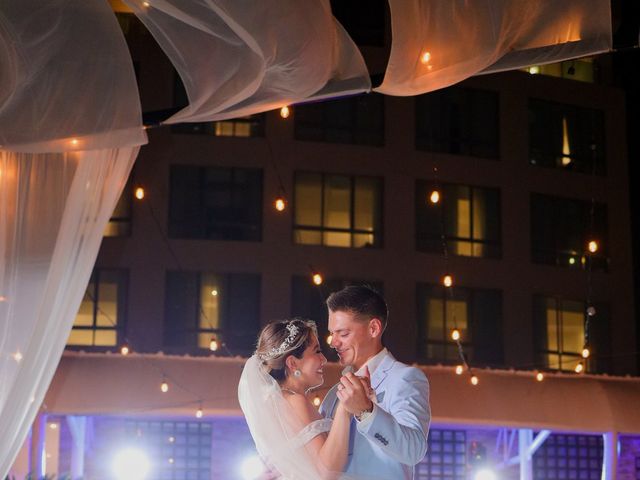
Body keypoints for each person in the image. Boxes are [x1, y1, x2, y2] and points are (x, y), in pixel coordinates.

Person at [320, 285, 431, 480]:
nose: (333, 342)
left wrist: (366, 411)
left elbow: (414, 450)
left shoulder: (405, 378)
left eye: (343, 334)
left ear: (373, 328)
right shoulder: (333, 395)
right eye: (332, 333)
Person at [238, 318, 357, 479]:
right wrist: (344, 409)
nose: (323, 359)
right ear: (293, 363)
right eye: (316, 351)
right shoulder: (294, 402)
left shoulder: (277, 402)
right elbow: (327, 472)